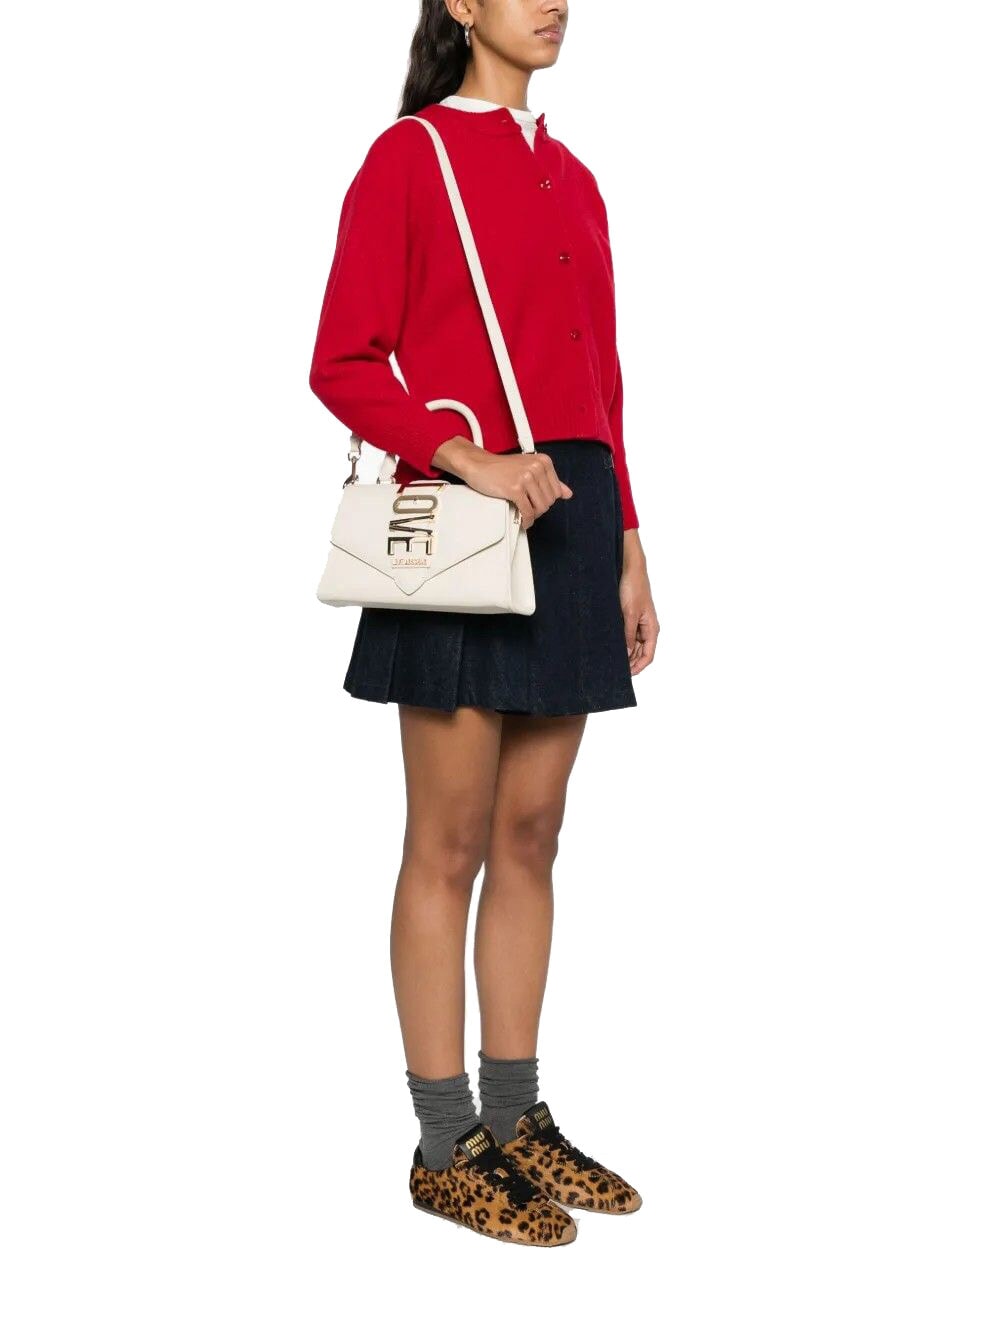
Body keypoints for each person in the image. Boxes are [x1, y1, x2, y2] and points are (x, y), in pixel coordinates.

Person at [308, 0, 659, 1247]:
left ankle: (515, 1115)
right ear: (460, 4)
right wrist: (468, 458)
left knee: (532, 832)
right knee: (447, 838)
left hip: (575, 514)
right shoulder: (408, 158)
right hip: (470, 521)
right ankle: (444, 1141)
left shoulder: (576, 177)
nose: (554, 3)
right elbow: (344, 360)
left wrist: (628, 547)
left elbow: (602, 382)